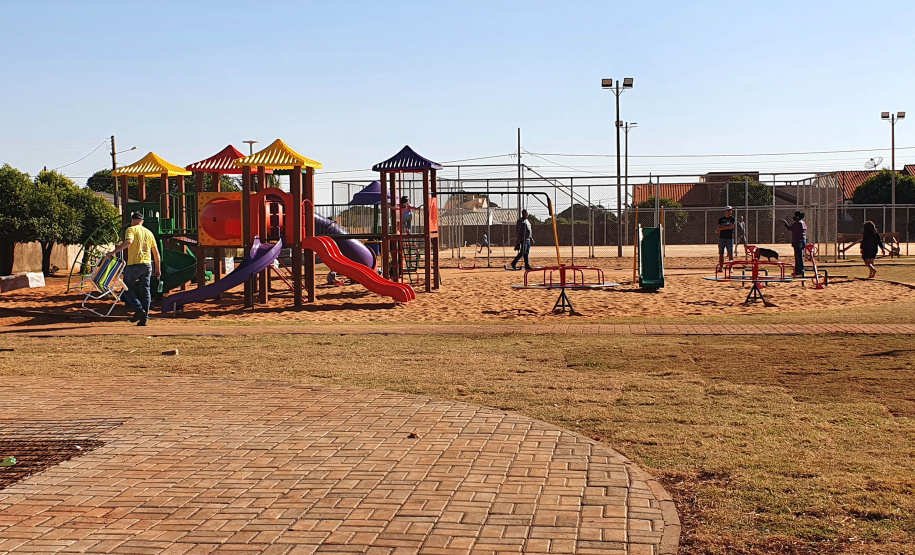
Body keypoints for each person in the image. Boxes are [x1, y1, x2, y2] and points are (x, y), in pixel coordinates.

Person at [108, 212, 161, 326]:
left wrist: (113, 252)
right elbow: (156, 253)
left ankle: (138, 309)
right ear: (142, 221)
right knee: (146, 291)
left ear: (132, 220)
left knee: (126, 288)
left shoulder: (131, 229)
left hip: (134, 264)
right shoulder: (149, 233)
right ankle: (144, 318)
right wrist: (158, 268)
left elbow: (129, 242)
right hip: (147, 264)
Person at [782, 210, 807, 277]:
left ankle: (799, 271)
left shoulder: (798, 223)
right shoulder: (803, 223)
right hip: (802, 240)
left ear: (798, 217)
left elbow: (790, 228)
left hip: (798, 241)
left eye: (795, 216)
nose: (794, 217)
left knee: (798, 256)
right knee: (800, 256)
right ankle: (799, 270)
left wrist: (785, 223)